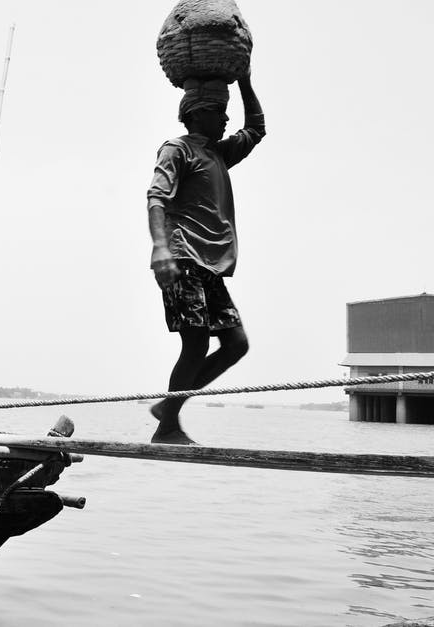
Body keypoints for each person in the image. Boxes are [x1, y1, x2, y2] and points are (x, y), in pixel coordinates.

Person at [145, 73, 265, 445]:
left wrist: (245, 82)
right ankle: (167, 427)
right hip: (181, 257)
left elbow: (256, 128)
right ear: (197, 115)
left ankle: (168, 408)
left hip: (211, 268)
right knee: (195, 344)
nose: (226, 119)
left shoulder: (219, 154)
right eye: (218, 111)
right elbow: (156, 197)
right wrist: (160, 248)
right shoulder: (176, 149)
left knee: (236, 345)